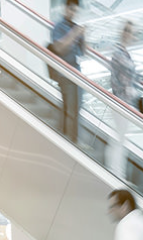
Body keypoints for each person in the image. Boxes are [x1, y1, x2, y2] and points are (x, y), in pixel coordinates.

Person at [50, 0, 86, 143]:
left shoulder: (76, 27)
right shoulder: (59, 27)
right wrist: (75, 33)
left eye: (75, 10)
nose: (73, 13)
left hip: (77, 73)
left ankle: (71, 140)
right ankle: (69, 141)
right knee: (71, 108)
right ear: (65, 8)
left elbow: (83, 52)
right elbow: (59, 48)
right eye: (71, 9)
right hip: (65, 73)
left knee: (76, 108)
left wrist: (83, 36)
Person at [107, 20, 139, 177]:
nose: (127, 34)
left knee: (122, 138)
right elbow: (123, 77)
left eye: (130, 31)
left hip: (126, 103)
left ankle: (118, 172)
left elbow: (132, 77)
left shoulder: (126, 54)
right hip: (120, 102)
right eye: (126, 30)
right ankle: (115, 171)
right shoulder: (118, 53)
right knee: (119, 138)